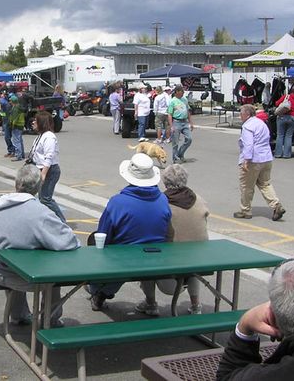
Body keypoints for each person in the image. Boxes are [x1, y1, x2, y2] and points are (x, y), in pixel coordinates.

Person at [0, 164, 81, 327]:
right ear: (38, 188)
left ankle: (19, 314)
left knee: (18, 262)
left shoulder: (0, 204)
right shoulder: (40, 212)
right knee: (51, 278)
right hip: (7, 272)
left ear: (16, 184)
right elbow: (68, 241)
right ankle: (50, 320)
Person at [86, 153, 172, 311]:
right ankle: (150, 300)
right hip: (157, 256)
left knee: (96, 241)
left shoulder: (118, 202)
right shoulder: (162, 200)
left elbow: (104, 234)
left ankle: (99, 290)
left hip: (124, 260)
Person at [138, 164, 209, 316]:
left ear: (164, 181)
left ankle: (151, 303)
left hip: (169, 269)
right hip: (198, 263)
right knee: (191, 252)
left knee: (145, 253)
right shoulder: (200, 200)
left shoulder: (160, 203)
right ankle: (195, 304)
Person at [234, 104, 285, 221]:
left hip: (254, 159)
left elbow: (248, 144)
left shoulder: (248, 126)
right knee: (265, 183)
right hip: (266, 158)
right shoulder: (261, 123)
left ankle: (245, 210)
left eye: (241, 113)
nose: (240, 115)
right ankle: (276, 205)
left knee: (247, 186)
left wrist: (246, 160)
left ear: (247, 114)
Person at [30, 111, 65, 222]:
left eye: (36, 120)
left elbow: (49, 157)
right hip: (41, 168)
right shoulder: (41, 135)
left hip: (50, 170)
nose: (33, 122)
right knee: (42, 198)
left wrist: (43, 174)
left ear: (42, 122)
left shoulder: (49, 137)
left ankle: (61, 221)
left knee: (45, 199)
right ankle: (47, 219)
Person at [274, 87, 294, 159]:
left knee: (280, 135)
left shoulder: (286, 97)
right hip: (293, 118)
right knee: (289, 136)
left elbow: (276, 103)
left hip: (282, 117)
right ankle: (286, 154)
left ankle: (278, 154)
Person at [168, 84, 194, 164]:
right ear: (177, 92)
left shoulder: (184, 99)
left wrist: (191, 122)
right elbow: (170, 114)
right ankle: (175, 158)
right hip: (176, 122)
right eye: (181, 92)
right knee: (175, 142)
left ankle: (180, 153)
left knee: (189, 139)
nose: (183, 93)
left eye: (183, 92)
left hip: (185, 122)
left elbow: (188, 111)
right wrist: (171, 126)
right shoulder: (172, 101)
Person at [9, 94, 25, 161]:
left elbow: (14, 118)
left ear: (13, 101)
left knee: (16, 141)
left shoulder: (15, 108)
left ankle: (18, 156)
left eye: (10, 101)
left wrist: (12, 125)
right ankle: (22, 154)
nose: (10, 102)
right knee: (20, 140)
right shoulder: (20, 107)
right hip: (21, 125)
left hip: (16, 126)